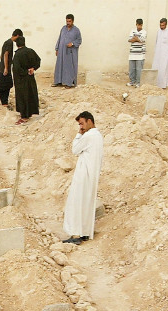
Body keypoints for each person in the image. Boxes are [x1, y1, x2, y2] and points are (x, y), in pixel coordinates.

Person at [63, 111, 104, 244]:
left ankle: (76, 235)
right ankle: (85, 232)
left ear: (89, 121)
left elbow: (75, 150)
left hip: (83, 176)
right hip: (91, 176)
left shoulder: (89, 136)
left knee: (76, 204)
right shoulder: (98, 136)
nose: (81, 127)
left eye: (82, 123)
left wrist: (78, 134)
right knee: (86, 204)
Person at [0, 29, 22, 108]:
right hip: (5, 69)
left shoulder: (7, 42)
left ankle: (4, 103)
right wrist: (6, 68)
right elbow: (5, 55)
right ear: (17, 36)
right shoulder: (9, 43)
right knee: (8, 85)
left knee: (5, 85)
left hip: (3, 67)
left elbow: (1, 56)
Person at [12, 36, 41, 125]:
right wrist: (33, 69)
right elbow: (38, 60)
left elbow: (16, 68)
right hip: (30, 78)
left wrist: (25, 72)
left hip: (21, 79)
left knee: (22, 97)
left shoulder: (17, 55)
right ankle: (30, 113)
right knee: (30, 95)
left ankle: (24, 117)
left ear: (17, 44)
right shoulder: (30, 51)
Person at [53, 14, 81, 88]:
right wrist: (57, 49)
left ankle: (69, 83)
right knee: (60, 66)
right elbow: (59, 39)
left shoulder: (76, 30)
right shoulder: (63, 28)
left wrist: (72, 43)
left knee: (69, 67)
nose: (68, 23)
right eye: (67, 21)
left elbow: (79, 40)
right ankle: (58, 81)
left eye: (69, 21)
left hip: (70, 52)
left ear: (73, 21)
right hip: (61, 51)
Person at [127, 19, 146, 87]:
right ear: (136, 24)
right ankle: (132, 81)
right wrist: (137, 39)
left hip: (140, 54)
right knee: (132, 68)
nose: (139, 26)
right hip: (132, 53)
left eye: (140, 25)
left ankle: (138, 83)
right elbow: (129, 40)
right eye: (138, 25)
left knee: (139, 69)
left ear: (142, 25)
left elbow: (142, 40)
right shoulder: (132, 31)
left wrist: (135, 38)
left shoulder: (144, 32)